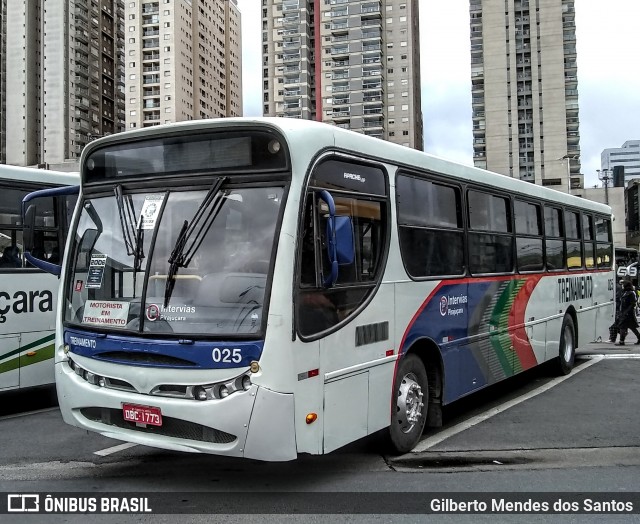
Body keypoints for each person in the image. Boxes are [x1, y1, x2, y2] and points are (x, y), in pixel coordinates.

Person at [615, 280, 640, 346]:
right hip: (624, 312)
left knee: (624, 327)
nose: (622, 286)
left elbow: (633, 304)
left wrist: (626, 312)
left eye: (623, 285)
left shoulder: (631, 293)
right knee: (630, 327)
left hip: (628, 313)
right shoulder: (624, 292)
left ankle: (621, 341)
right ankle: (622, 340)